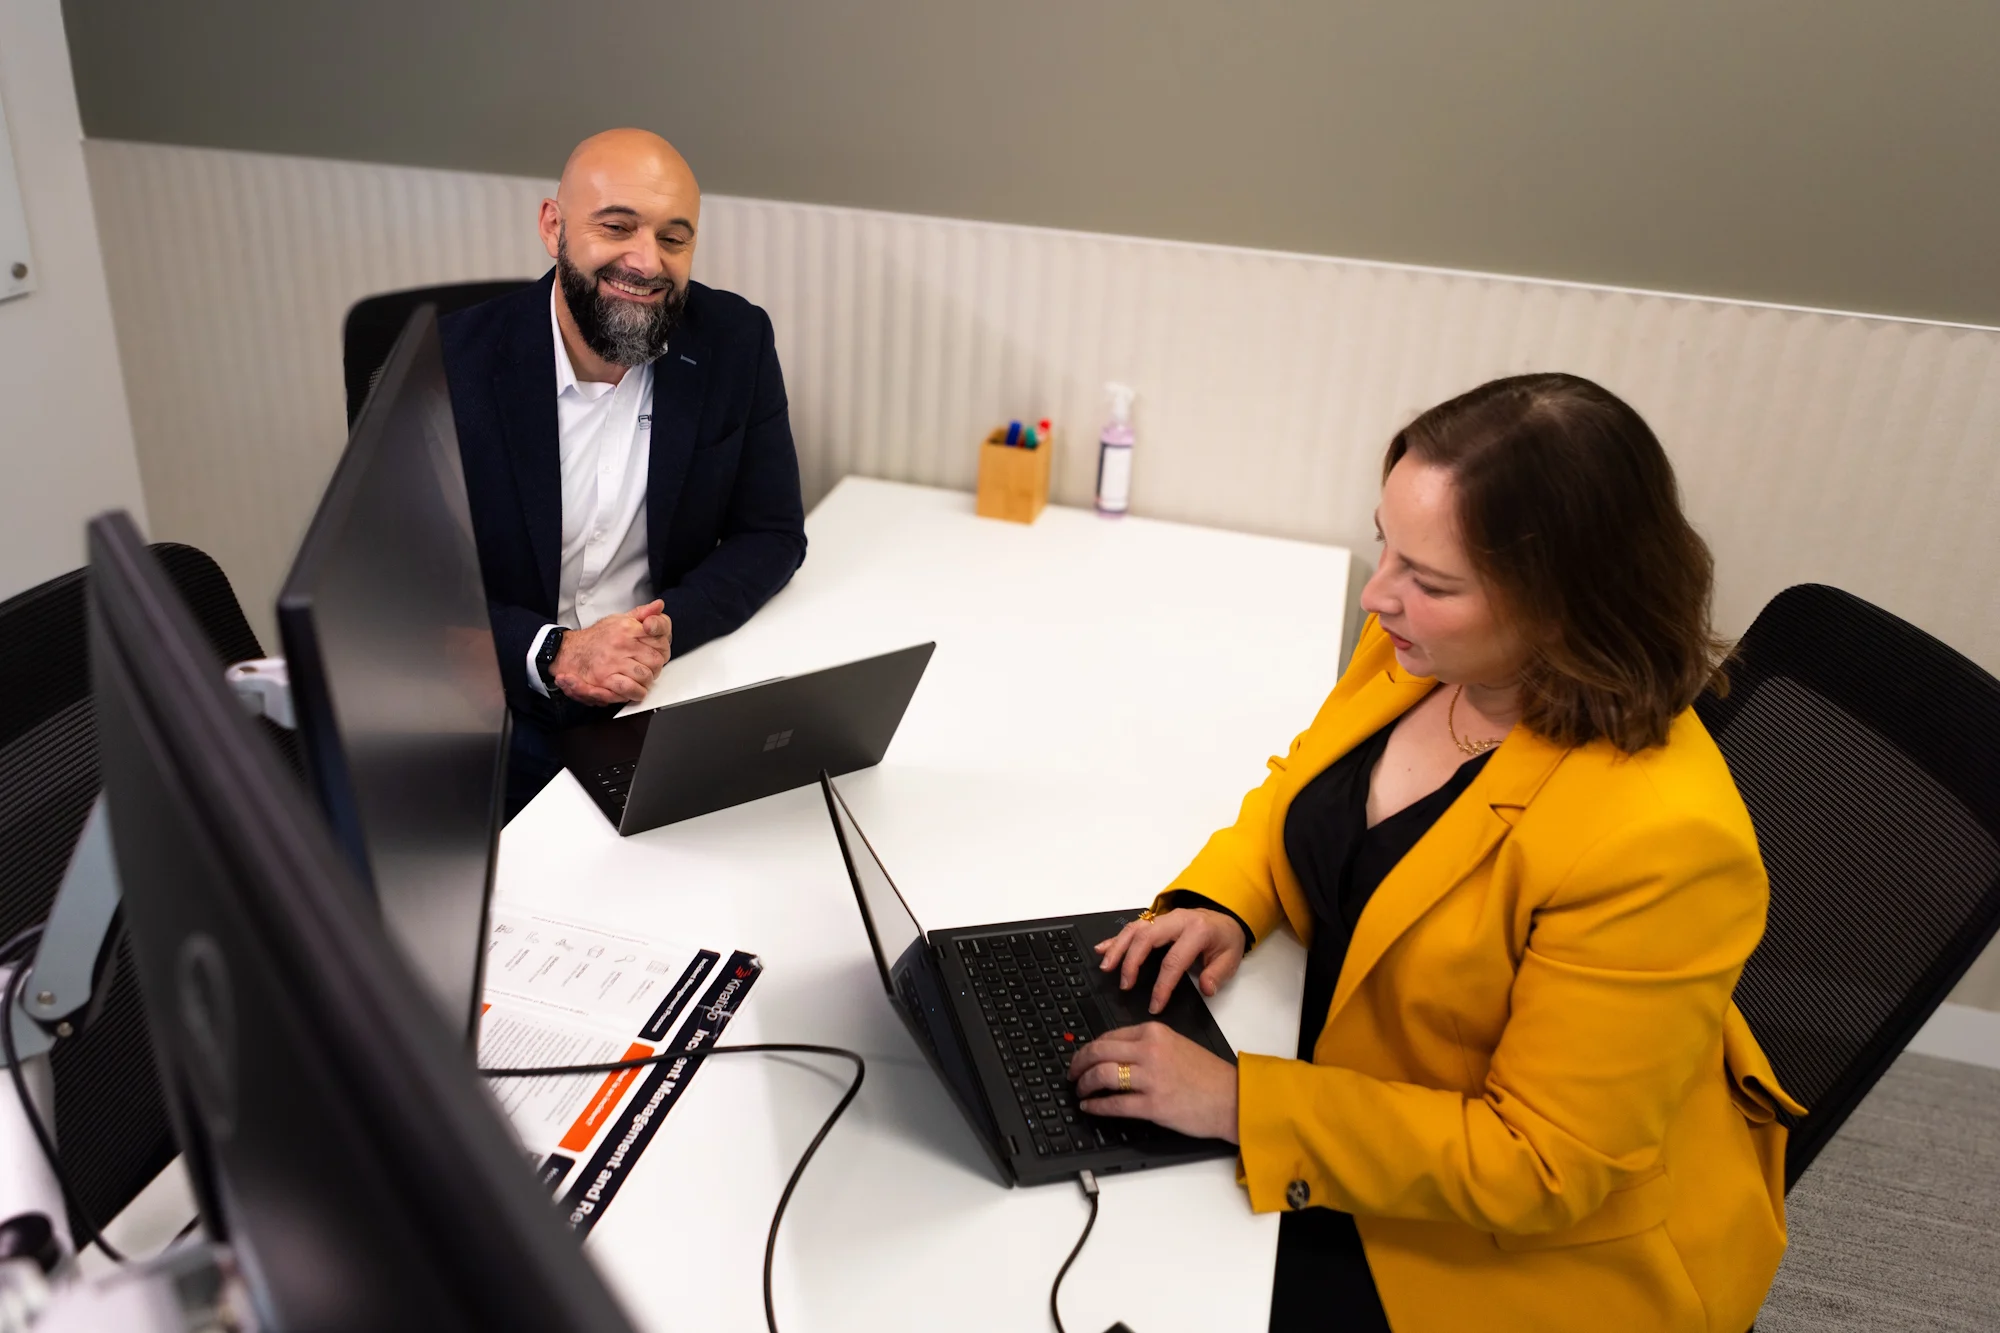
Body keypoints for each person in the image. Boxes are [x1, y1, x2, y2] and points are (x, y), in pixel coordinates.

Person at [1067, 374, 1801, 1332]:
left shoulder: (1661, 838)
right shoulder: (1424, 652)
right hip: (1363, 1082)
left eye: (1432, 580)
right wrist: (1227, 897)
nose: (1378, 593)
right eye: (1386, 543)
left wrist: (1244, 1103)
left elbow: (1540, 1164)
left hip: (1501, 1250)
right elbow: (1308, 778)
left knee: (1125, 1278)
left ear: (1564, 606)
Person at [442, 129, 807, 818]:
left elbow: (772, 532)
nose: (647, 262)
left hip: (662, 693)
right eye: (616, 226)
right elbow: (399, 591)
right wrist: (556, 653)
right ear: (553, 226)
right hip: (492, 710)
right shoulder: (445, 368)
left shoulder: (735, 340)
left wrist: (663, 630)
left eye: (675, 238)